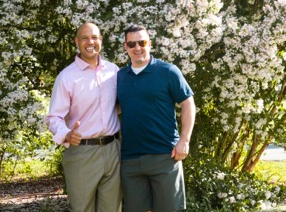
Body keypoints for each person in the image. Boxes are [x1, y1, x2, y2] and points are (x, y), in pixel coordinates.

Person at [117, 25, 196, 212]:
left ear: (150, 44)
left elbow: (188, 104)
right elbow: (114, 108)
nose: (137, 48)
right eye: (132, 43)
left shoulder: (168, 71)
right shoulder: (120, 77)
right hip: (130, 159)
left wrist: (184, 141)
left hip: (165, 156)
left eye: (142, 42)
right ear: (125, 47)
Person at [45, 22, 122, 212]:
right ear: (77, 42)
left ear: (101, 41)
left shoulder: (114, 71)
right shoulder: (67, 77)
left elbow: (120, 104)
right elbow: (53, 117)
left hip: (114, 150)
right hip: (82, 152)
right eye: (85, 38)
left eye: (95, 37)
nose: (90, 42)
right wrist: (66, 134)